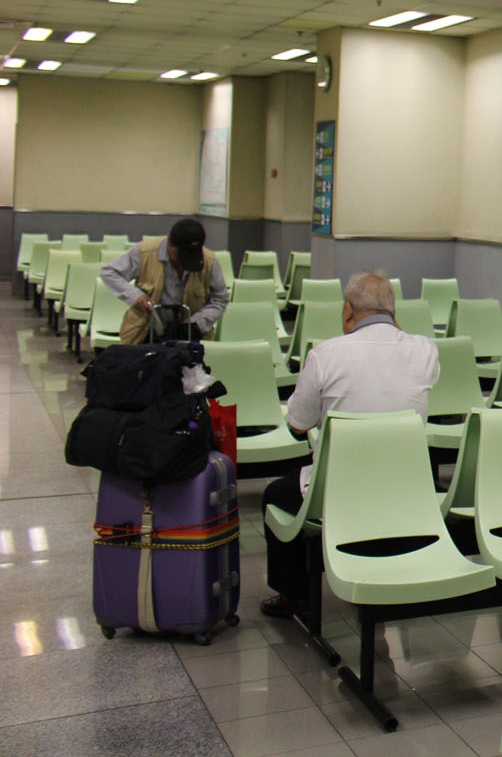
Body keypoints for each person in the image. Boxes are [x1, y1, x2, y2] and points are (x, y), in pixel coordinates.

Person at [259, 269, 440, 618]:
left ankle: (295, 597)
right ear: (393, 313)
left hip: (338, 493)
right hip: (404, 488)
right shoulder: (426, 351)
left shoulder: (325, 355)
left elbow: (298, 425)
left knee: (275, 496)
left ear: (347, 311)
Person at [99, 217, 229, 344]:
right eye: (181, 256)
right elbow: (109, 272)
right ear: (170, 245)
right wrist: (135, 296)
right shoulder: (144, 252)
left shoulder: (209, 261)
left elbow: (220, 299)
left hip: (190, 336)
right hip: (144, 333)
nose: (183, 264)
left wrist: (197, 322)